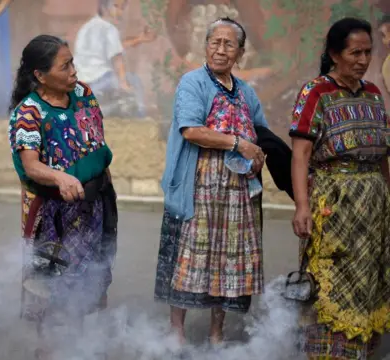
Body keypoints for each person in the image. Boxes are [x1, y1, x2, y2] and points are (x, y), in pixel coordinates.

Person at [155, 17, 268, 345]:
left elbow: (262, 134)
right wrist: (238, 143)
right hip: (198, 186)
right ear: (205, 46)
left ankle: (216, 332)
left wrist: (263, 153)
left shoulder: (246, 91)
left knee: (226, 261)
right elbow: (191, 131)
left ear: (240, 52)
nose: (220, 50)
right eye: (214, 42)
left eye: (228, 44)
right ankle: (176, 332)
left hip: (236, 194)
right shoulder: (192, 82)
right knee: (186, 260)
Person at [8, 34, 118, 359]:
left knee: (91, 276)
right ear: (40, 76)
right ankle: (48, 349)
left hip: (95, 203)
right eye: (65, 65)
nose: (74, 70)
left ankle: (79, 345)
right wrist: (59, 176)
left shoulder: (83, 93)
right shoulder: (28, 113)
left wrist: (106, 196)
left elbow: (96, 144)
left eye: (72, 62)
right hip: (54, 213)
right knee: (51, 281)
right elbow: (30, 165)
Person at [289, 17, 390, 359]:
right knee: (332, 280)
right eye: (355, 52)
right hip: (335, 206)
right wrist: (302, 206)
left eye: (368, 52)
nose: (363, 60)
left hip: (374, 208)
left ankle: (362, 351)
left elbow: (382, 156)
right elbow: (301, 154)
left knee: (369, 282)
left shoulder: (374, 95)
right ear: (335, 53)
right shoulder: (316, 92)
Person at [73, 0, 155, 117]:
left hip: (82, 81)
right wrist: (123, 83)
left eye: (122, 8)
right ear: (104, 7)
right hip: (101, 80)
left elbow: (114, 46)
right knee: (135, 81)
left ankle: (107, 109)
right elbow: (117, 59)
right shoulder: (110, 29)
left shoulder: (88, 26)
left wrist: (139, 39)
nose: (119, 12)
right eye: (116, 7)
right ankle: (140, 118)